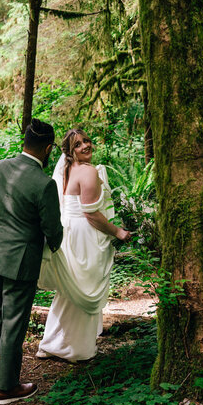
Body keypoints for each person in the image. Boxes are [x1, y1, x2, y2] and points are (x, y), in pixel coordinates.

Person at [0, 119, 63, 405]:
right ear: (48, 149)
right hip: (20, 260)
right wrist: (57, 246)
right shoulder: (44, 184)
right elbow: (52, 230)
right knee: (13, 320)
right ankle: (7, 387)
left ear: (24, 142)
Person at [36, 128, 132, 363]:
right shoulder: (88, 172)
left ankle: (50, 343)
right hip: (83, 234)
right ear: (70, 151)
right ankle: (77, 350)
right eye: (78, 144)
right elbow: (92, 214)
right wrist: (118, 232)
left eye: (87, 141)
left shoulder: (68, 170)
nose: (85, 146)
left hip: (68, 231)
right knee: (83, 288)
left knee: (69, 290)